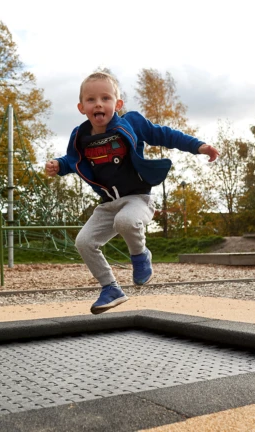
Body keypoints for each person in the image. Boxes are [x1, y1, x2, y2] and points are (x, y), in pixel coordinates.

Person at [44, 71, 219, 314]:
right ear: (81, 107)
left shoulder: (131, 123)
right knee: (84, 242)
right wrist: (58, 165)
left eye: (105, 98)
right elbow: (72, 160)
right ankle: (110, 288)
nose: (98, 104)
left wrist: (198, 146)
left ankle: (140, 255)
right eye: (91, 100)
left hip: (138, 199)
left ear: (117, 104)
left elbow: (165, 134)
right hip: (108, 203)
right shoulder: (79, 136)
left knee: (125, 221)